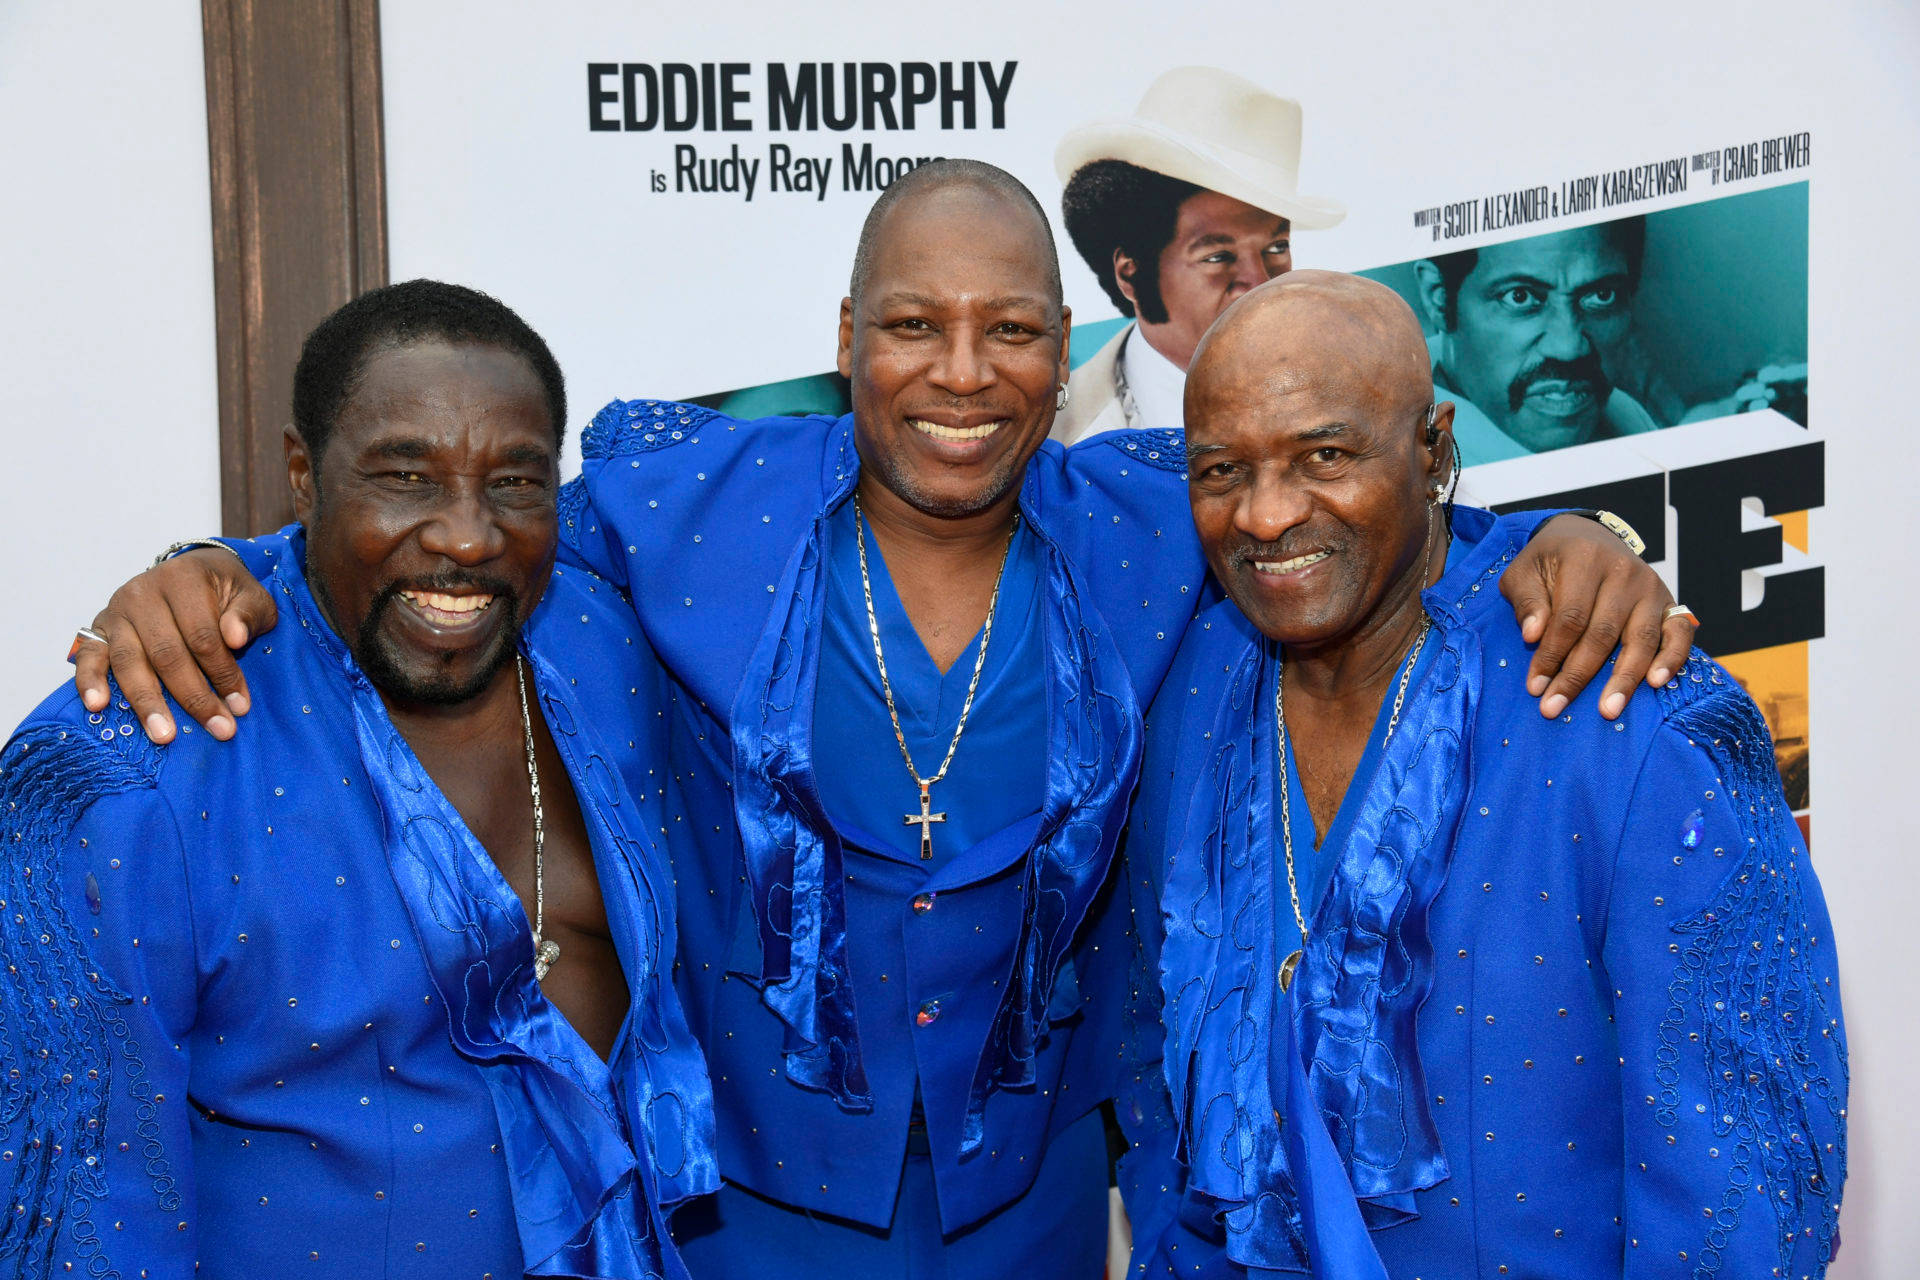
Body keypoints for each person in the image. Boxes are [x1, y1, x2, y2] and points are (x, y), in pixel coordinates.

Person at [69, 164, 1691, 1276]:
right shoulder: (684, 509)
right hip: (751, 1217)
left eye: (1012, 331)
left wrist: (1563, 548)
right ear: (846, 344)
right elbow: (448, 529)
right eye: (914, 325)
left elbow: (1370, 512)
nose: (961, 374)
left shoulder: (1148, 531)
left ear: (1074, 357)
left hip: (1036, 1219)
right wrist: (207, 570)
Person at [1117, 270, 1846, 1277]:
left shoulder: (1630, 707)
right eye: (1220, 470)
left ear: (1433, 446)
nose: (1267, 513)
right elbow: (1150, 1061)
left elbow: (1746, 1196)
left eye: (1325, 454)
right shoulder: (1189, 691)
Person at [0, 281, 717, 1278]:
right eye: (406, 477)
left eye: (514, 480)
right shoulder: (127, 762)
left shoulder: (607, 634)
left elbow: (888, 434)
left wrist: (197, 555)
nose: (468, 534)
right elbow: (78, 1224)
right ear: (303, 473)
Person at [1052, 66, 1344, 444]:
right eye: (1218, 257)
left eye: (1276, 248)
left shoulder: (1348, 405)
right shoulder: (1048, 436)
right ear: (1130, 274)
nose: (1259, 284)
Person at [1414, 219, 1662, 461]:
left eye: (1602, 295)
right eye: (1519, 297)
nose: (1569, 349)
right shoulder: (1408, 471)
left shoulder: (1624, 414)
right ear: (1439, 299)